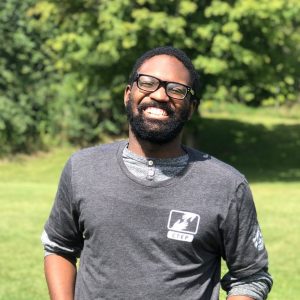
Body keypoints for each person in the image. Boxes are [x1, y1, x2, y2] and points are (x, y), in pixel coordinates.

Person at [42, 46, 273, 300]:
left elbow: (251, 277)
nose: (161, 95)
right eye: (148, 82)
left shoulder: (227, 186)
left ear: (191, 107)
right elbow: (59, 247)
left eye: (176, 89)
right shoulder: (82, 168)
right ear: (128, 94)